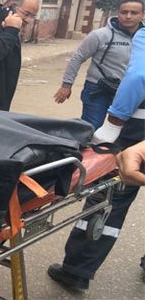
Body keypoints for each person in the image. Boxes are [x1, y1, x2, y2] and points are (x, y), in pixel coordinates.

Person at [47, 21, 145, 290]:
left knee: (111, 196)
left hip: (136, 128)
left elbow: (138, 77)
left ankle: (76, 270)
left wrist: (112, 124)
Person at [53, 0, 145, 128]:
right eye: (124, 12)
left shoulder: (142, 38)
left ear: (143, 14)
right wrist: (66, 85)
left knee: (125, 130)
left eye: (134, 13)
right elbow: (77, 58)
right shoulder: (100, 35)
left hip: (128, 91)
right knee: (91, 128)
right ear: (118, 13)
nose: (128, 16)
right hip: (97, 89)